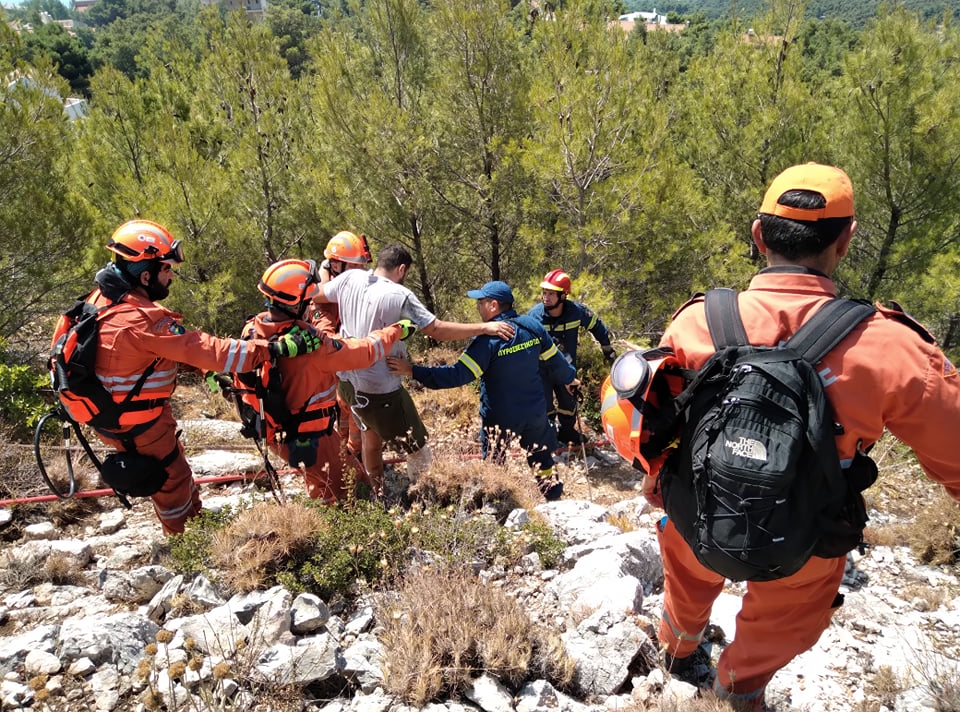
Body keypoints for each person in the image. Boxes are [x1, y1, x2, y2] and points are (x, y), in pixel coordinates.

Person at [651, 163, 960, 711]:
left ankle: (676, 650)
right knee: (784, 620)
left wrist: (659, 481)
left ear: (758, 234)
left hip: (695, 510)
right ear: (846, 240)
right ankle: (738, 686)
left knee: (687, 578)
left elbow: (653, 419)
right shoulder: (889, 346)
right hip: (805, 539)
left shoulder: (696, 321)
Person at [59, 220, 322, 535]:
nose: (171, 276)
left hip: (107, 413)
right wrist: (276, 348)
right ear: (145, 274)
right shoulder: (143, 321)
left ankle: (191, 525)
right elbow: (212, 350)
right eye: (166, 269)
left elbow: (133, 356)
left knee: (174, 473)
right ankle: (186, 541)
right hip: (139, 423)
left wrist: (201, 370)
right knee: (173, 481)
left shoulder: (100, 300)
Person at [312, 244, 514, 493]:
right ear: (402, 268)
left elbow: (317, 294)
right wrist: (483, 328)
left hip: (347, 383)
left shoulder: (349, 278)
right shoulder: (400, 294)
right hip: (381, 387)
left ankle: (377, 495)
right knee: (417, 450)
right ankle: (424, 499)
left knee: (370, 437)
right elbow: (436, 329)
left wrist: (324, 268)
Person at [236, 258, 417, 502]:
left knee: (323, 482)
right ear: (297, 303)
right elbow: (364, 351)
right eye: (308, 300)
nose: (311, 303)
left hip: (275, 431)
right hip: (309, 436)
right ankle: (339, 531)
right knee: (354, 490)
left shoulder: (254, 329)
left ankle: (323, 506)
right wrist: (396, 330)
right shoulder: (313, 346)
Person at [387, 281, 578, 500]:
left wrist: (412, 371)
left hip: (500, 418)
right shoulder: (531, 326)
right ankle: (554, 498)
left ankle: (496, 506)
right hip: (534, 412)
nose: (478, 307)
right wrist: (571, 378)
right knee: (542, 457)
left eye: (481, 302)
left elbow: (456, 375)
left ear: (493, 305)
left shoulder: (487, 342)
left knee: (494, 466)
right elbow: (557, 364)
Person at [528, 268, 615, 446]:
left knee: (568, 403)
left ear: (563, 296)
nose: (546, 297)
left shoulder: (576, 312)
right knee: (544, 405)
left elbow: (596, 325)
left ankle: (567, 432)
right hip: (541, 369)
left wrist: (607, 348)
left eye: (551, 293)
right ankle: (548, 436)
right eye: (544, 292)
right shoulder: (535, 316)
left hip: (566, 369)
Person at [312, 231, 373, 462]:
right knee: (344, 418)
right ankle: (348, 463)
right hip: (339, 371)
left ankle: (352, 459)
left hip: (354, 370)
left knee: (353, 420)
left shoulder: (351, 286)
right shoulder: (321, 302)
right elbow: (328, 342)